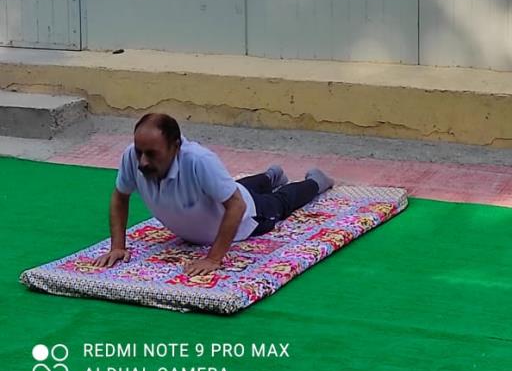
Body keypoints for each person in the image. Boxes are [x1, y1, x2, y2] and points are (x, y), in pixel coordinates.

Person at [94, 113, 334, 276]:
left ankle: (316, 182)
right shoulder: (131, 156)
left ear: (176, 146)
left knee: (279, 203)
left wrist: (214, 258)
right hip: (224, 199)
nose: (143, 161)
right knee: (233, 185)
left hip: (248, 218)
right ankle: (270, 176)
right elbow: (119, 196)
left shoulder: (199, 160)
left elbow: (237, 207)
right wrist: (118, 246)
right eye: (139, 152)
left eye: (152, 154)